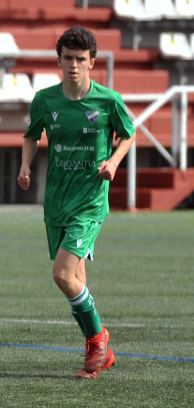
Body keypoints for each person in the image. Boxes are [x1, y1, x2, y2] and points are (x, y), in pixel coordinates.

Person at [18, 25, 135, 379]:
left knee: (62, 274)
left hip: (89, 202)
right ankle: (101, 351)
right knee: (77, 279)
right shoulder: (45, 100)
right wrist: (25, 164)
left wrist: (113, 163)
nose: (73, 65)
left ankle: (98, 342)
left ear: (92, 62)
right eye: (67, 58)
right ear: (59, 61)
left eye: (80, 59)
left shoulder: (108, 101)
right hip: (56, 203)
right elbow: (31, 136)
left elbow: (129, 134)